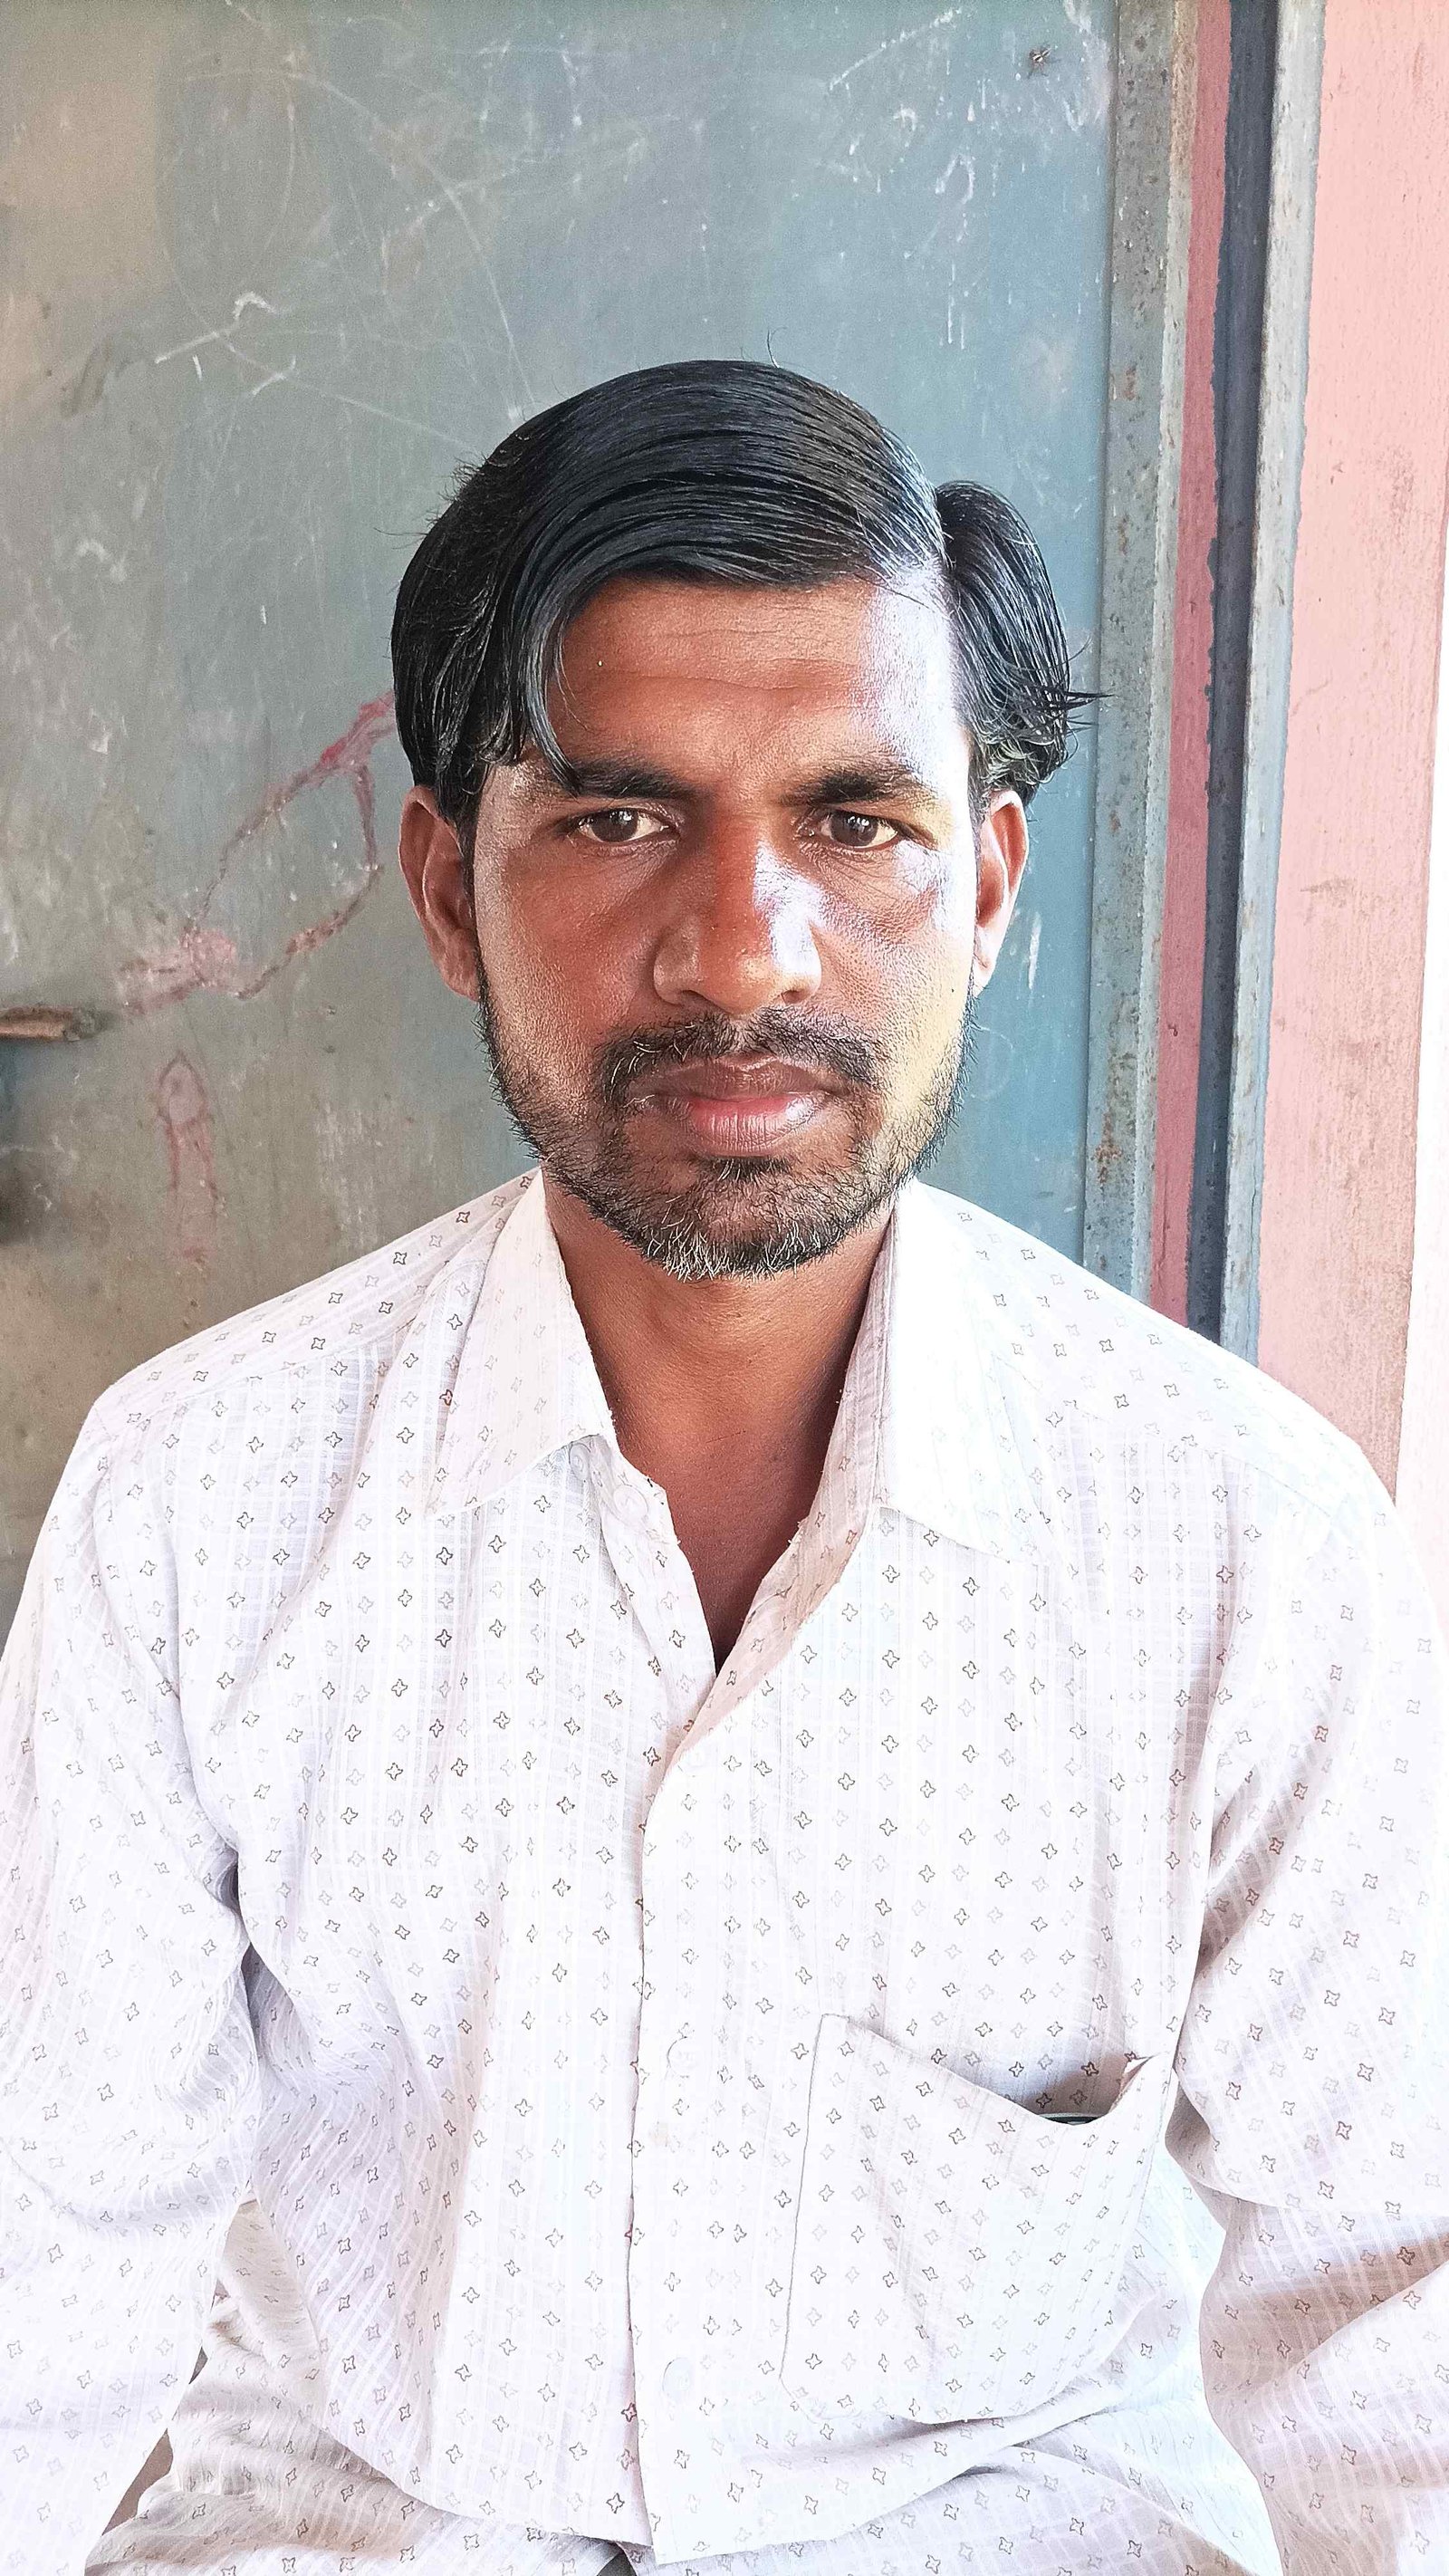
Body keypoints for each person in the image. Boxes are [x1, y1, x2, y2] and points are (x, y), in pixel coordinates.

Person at [2, 361, 1445, 2576]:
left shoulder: (1236, 1542)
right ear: (446, 888)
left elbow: (1389, 2300)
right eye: (615, 819)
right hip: (375, 2521)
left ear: (985, 886)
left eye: (854, 823)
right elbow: (48, 2244)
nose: (744, 947)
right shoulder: (198, 1509)